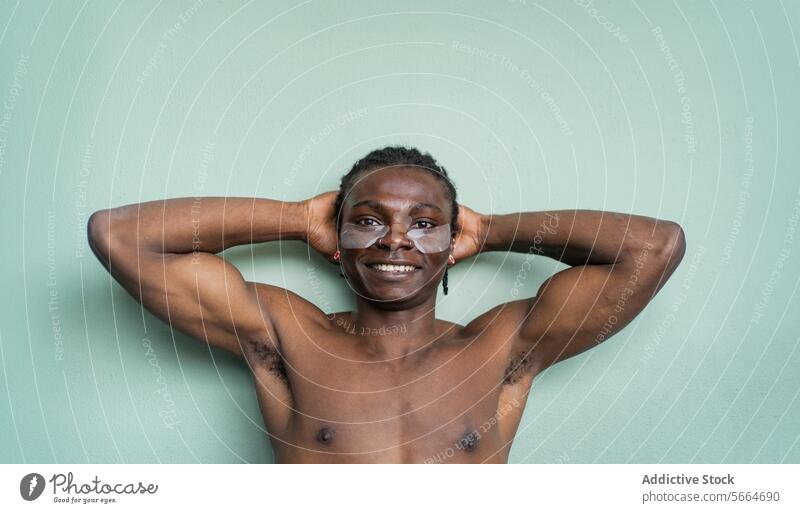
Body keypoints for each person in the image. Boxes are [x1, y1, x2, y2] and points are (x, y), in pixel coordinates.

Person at [87, 145, 686, 463]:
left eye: (425, 225)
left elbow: (654, 248)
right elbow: (119, 236)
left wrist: (493, 229)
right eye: (368, 220)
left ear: (453, 244)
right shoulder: (285, 334)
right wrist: (297, 219)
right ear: (336, 241)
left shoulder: (503, 346)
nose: (396, 239)